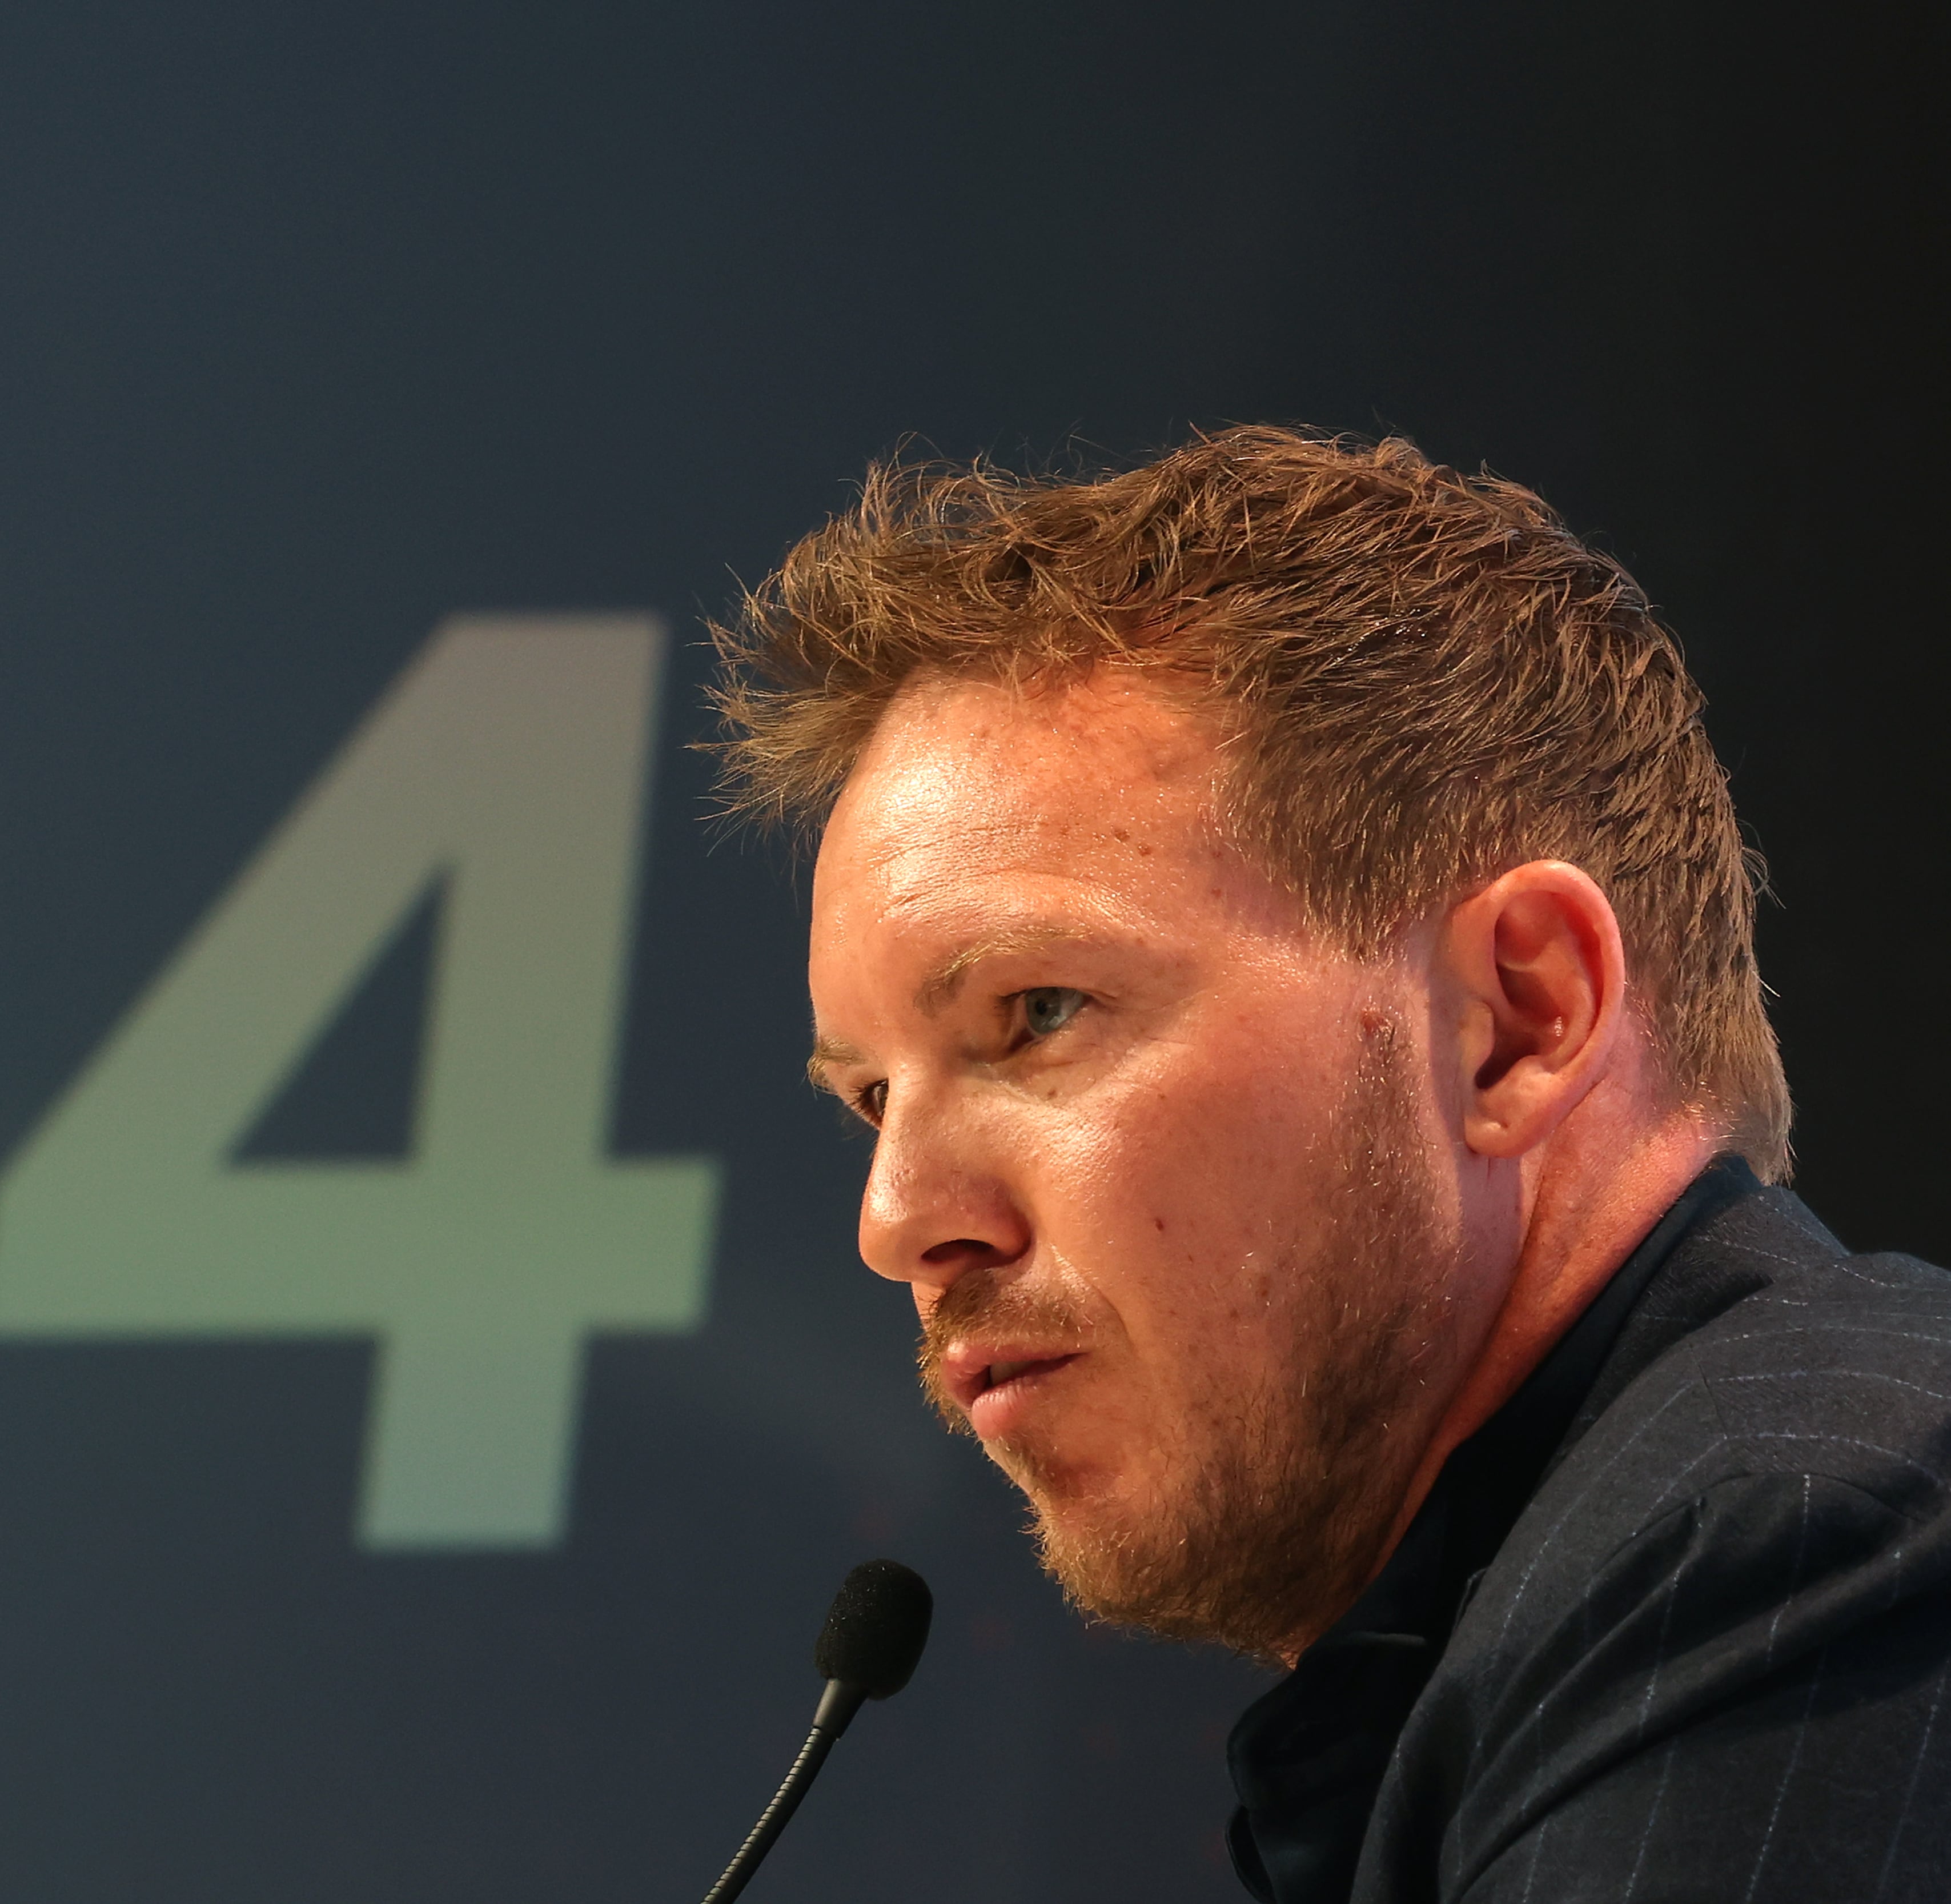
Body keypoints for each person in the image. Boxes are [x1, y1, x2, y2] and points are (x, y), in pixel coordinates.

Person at [713, 427, 1951, 1903]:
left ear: (1515, 1020)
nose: (899, 1222)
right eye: (867, 1098)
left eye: (1037, 1015)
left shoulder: (1806, 1538)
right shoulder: (1527, 1635)